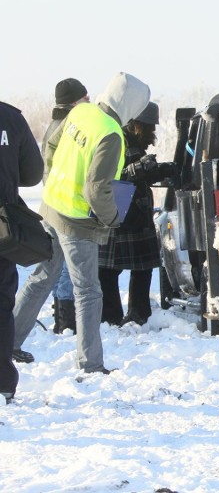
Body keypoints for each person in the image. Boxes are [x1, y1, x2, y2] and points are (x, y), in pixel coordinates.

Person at [13, 72, 150, 374]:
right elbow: (96, 189)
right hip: (76, 223)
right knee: (88, 291)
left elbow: (50, 143)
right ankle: (91, 364)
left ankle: (7, 342)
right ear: (130, 105)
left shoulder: (82, 111)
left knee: (42, 278)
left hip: (52, 208)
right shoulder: (111, 133)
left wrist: (51, 182)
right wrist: (112, 218)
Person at [99, 103, 174, 325]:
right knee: (107, 271)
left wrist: (161, 170)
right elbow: (106, 175)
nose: (152, 134)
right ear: (135, 125)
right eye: (149, 128)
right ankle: (110, 318)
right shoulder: (114, 141)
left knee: (142, 268)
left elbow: (139, 173)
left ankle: (139, 315)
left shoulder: (132, 143)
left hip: (135, 212)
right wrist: (136, 170)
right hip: (117, 210)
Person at [0, 101, 44, 404]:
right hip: (3, 227)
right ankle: (2, 382)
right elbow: (31, 174)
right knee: (2, 306)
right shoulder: (9, 117)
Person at [45, 79, 90, 335]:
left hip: (53, 201)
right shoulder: (66, 128)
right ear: (74, 101)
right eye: (85, 97)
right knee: (65, 267)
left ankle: (62, 317)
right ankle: (66, 321)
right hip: (65, 203)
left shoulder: (55, 125)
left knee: (55, 265)